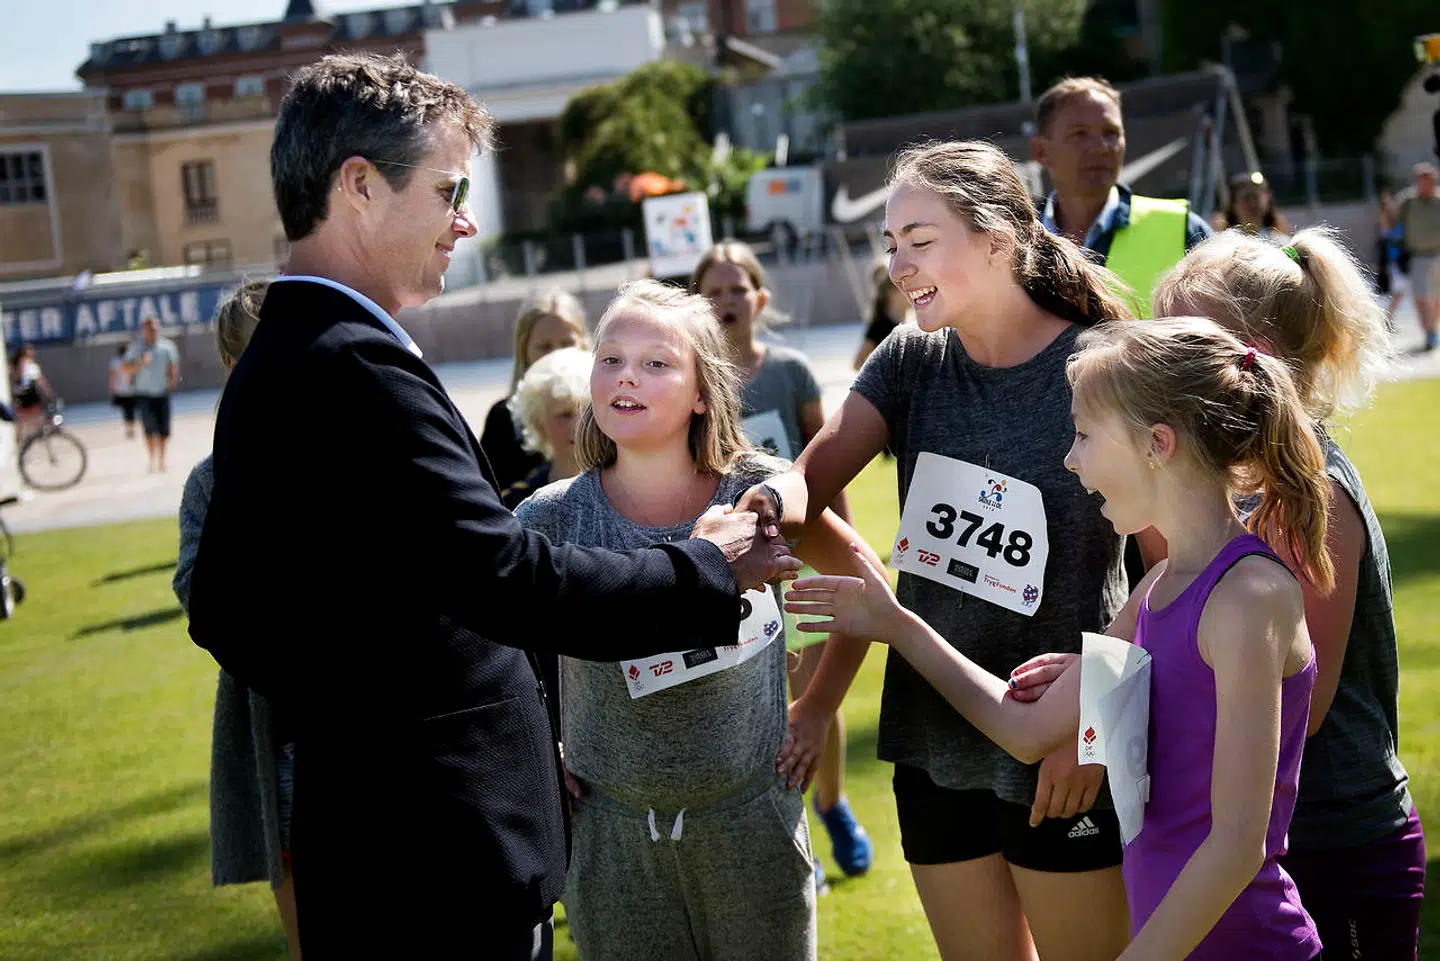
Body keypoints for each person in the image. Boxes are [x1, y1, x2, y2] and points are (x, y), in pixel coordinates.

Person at [183, 53, 799, 960]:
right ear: (358, 185)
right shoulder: (352, 363)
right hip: (436, 856)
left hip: (387, 847)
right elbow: (506, 578)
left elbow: (230, 607)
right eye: (445, 190)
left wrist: (350, 675)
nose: (465, 220)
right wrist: (702, 565)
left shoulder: (291, 350)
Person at [787, 315, 1331, 961]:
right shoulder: (1156, 585)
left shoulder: (1247, 596)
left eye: (1082, 435)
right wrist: (894, 622)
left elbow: (1237, 842)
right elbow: (1028, 729)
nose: (1070, 458)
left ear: (1157, 443)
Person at [763, 140, 1136, 961]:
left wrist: (1095, 727)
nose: (898, 263)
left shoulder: (1105, 366)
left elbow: (1171, 562)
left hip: (1063, 740)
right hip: (933, 736)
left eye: (919, 240)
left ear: (999, 236)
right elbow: (809, 479)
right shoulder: (909, 359)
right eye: (890, 244)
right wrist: (764, 502)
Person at [516, 280, 883, 960]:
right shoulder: (550, 517)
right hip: (609, 835)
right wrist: (539, 746)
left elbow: (867, 584)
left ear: (703, 391)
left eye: (658, 362)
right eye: (611, 357)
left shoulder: (761, 493)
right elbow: (495, 652)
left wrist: (819, 705)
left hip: (752, 821)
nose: (628, 374)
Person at [1155, 228, 1424, 960]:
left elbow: (1300, 711)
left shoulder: (1311, 499)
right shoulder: (1235, 487)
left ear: (1257, 352)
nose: (1166, 362)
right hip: (1270, 836)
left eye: (1185, 340)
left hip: (1340, 840)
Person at [691, 240, 873, 883]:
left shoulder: (791, 370)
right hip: (741, 575)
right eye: (712, 290)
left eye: (738, 288)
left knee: (815, 697)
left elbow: (826, 464)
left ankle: (834, 805)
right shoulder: (693, 384)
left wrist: (842, 545)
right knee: (762, 709)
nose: (727, 300)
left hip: (802, 565)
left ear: (760, 298)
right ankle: (798, 844)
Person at [172, 280, 302, 961]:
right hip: (275, 730)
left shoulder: (357, 447)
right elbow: (199, 591)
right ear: (234, 369)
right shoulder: (213, 478)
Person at [1030, 76, 1212, 316]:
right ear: (1041, 151)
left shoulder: (1183, 229)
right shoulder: (1014, 239)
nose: (1101, 147)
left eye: (1111, 133)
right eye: (1080, 134)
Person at [481, 291, 590, 490]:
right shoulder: (504, 419)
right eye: (544, 347)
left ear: (584, 344)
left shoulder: (606, 409)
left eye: (567, 344)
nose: (557, 354)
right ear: (525, 351)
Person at [500, 345, 590, 511]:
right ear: (539, 425)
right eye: (565, 414)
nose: (580, 424)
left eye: (588, 411)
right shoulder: (516, 503)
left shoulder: (633, 491)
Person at [121, 316, 180, 472]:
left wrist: (172, 381)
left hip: (162, 393)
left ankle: (162, 460)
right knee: (148, 429)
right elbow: (125, 368)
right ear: (143, 331)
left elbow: (173, 365)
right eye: (149, 329)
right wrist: (140, 363)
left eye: (154, 329)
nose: (152, 332)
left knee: (163, 429)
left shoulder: (167, 347)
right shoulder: (136, 348)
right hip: (144, 394)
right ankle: (151, 459)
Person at [1394, 162, 1440, 350]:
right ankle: (1429, 332)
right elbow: (1393, 219)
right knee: (1421, 296)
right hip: (1418, 256)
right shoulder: (1408, 201)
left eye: (1427, 180)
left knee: (1437, 296)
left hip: (1438, 254)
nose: (1423, 185)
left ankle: (1432, 329)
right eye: (1420, 181)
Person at [854, 261, 913, 370]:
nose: (911, 291)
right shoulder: (880, 326)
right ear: (891, 293)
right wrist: (883, 377)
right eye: (904, 288)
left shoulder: (913, 323)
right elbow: (857, 363)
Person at [1213, 171, 1292, 241]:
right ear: (1233, 205)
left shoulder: (1280, 243)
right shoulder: (1224, 245)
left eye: (1256, 197)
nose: (1252, 203)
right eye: (1246, 198)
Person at [11, 344, 50, 440]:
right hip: (23, 395)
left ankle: (36, 435)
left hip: (32, 394)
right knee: (22, 420)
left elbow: (40, 380)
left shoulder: (33, 366)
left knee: (38, 416)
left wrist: (48, 392)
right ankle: (19, 440)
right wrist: (21, 366)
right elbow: (16, 378)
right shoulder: (19, 364)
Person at [108, 343, 137, 440]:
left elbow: (112, 377)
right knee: (130, 411)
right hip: (130, 390)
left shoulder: (115, 362)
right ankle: (131, 428)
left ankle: (129, 428)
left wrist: (112, 387)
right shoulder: (131, 361)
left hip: (121, 390)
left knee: (126, 411)